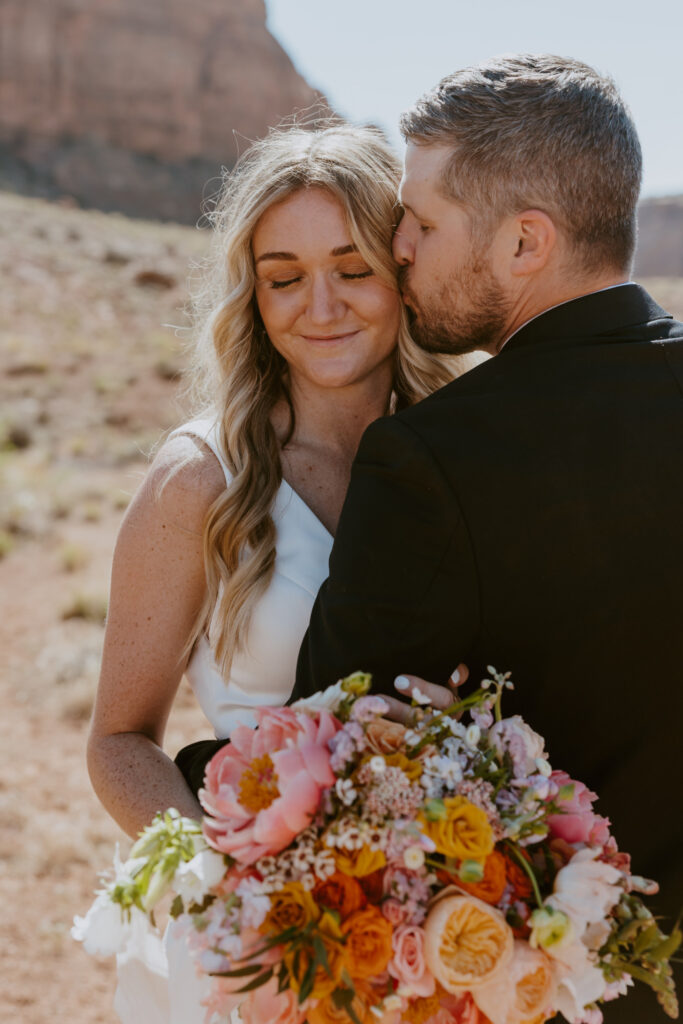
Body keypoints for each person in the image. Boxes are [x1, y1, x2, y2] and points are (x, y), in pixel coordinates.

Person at [285, 55, 683, 1023]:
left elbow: (329, 759)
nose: (399, 247)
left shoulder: (429, 459)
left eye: (420, 221)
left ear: (522, 243)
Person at [86, 123, 471, 1023]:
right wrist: (232, 892)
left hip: (438, 923)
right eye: (284, 278)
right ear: (253, 298)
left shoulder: (466, 457)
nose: (321, 304)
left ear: (403, 269)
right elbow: (118, 741)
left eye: (353, 266)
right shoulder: (201, 478)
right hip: (255, 951)